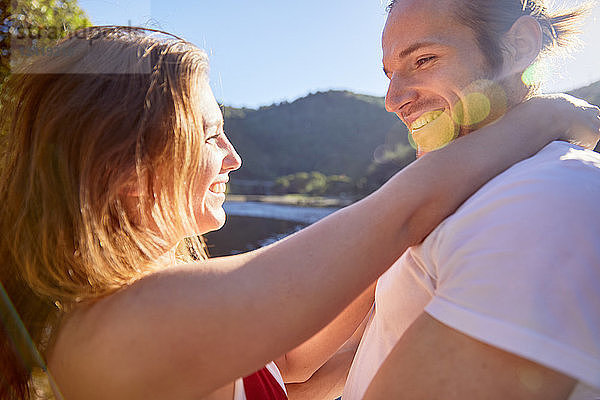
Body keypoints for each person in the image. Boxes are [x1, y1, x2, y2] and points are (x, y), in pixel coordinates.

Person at [0, 26, 597, 400]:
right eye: (210, 136)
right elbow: (400, 214)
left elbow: (292, 369)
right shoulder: (128, 326)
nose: (234, 157)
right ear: (125, 168)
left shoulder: (134, 310)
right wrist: (545, 118)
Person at [299, 1, 600, 399]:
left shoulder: (548, 198)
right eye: (390, 74)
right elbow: (334, 359)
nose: (393, 100)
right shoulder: (460, 198)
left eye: (424, 59)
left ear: (520, 47)